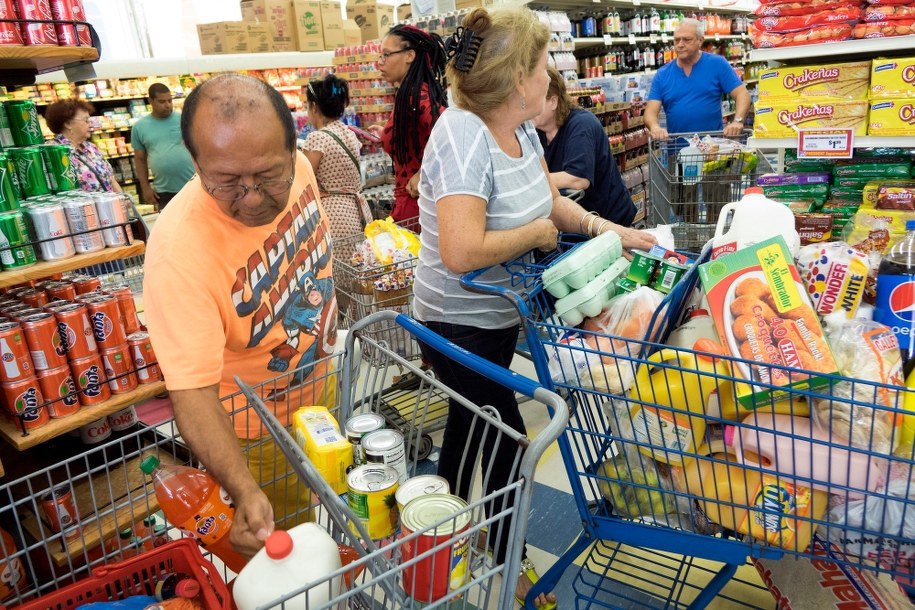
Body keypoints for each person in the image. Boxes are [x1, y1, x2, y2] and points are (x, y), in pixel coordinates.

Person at [414, 8, 657, 608]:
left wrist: (612, 232)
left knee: (468, 428)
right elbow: (463, 249)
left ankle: (424, 538)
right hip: (454, 323)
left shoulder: (520, 130)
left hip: (498, 318)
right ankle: (507, 564)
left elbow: (552, 204)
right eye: (542, 60)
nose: (552, 70)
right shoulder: (463, 133)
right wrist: (535, 238)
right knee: (505, 437)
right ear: (515, 75)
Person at [143, 74, 337, 559]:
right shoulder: (177, 253)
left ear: (295, 148)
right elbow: (192, 394)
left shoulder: (302, 172)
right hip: (255, 430)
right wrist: (245, 488)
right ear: (195, 162)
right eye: (226, 180)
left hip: (323, 387)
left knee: (336, 512)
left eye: (270, 175)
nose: (252, 196)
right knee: (294, 554)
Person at [367, 24, 448, 229]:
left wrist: (424, 172)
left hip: (418, 206)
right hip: (416, 205)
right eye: (380, 56)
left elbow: (451, 132)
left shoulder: (414, 94)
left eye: (386, 55)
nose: (380, 63)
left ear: (409, 55)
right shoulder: (409, 93)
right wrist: (385, 132)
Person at [534, 66, 637, 226]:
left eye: (535, 101)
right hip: (579, 222)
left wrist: (531, 181)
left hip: (610, 221)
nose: (528, 108)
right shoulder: (537, 131)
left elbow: (578, 180)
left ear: (553, 102)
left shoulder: (581, 125)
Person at [644, 18, 750, 140]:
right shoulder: (662, 74)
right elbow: (650, 111)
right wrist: (655, 127)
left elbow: (742, 94)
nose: (680, 44)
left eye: (687, 39)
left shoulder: (717, 64)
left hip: (712, 148)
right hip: (677, 150)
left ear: (700, 41)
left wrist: (738, 121)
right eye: (677, 40)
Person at [301, 74, 371, 241]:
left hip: (334, 217)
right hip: (359, 213)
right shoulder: (349, 133)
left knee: (336, 266)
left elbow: (304, 180)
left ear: (314, 107)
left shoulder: (317, 138)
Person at [130, 83, 195, 210]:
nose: (168, 105)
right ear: (150, 101)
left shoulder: (185, 119)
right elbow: (139, 159)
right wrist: (145, 188)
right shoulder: (139, 127)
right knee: (170, 228)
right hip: (164, 191)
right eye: (162, 101)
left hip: (193, 186)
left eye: (170, 101)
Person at [45, 99, 122, 192]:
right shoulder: (53, 151)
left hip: (107, 205)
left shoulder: (91, 148)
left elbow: (111, 180)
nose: (90, 124)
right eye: (86, 120)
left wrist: (123, 202)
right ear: (68, 124)